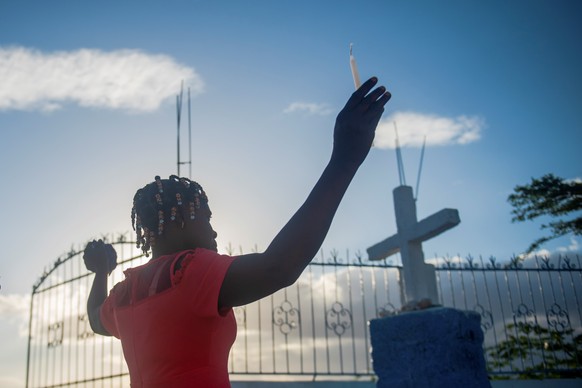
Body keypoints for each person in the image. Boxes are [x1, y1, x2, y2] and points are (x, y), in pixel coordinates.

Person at [84, 77, 391, 387]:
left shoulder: (124, 294)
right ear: (177, 219)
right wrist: (344, 160)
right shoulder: (190, 271)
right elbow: (279, 267)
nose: (214, 232)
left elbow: (96, 319)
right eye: (205, 218)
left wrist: (101, 272)